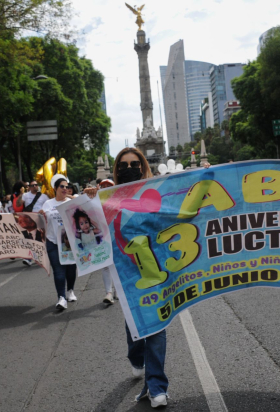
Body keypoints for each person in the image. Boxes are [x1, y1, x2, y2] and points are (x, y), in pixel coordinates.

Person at [112, 147, 168, 407]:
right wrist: (89, 198)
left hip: (155, 270)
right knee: (133, 325)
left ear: (143, 165)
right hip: (126, 273)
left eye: (135, 164)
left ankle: (156, 386)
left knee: (157, 325)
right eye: (123, 166)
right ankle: (136, 359)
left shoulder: (155, 192)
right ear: (116, 170)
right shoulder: (106, 197)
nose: (129, 169)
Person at [39, 175, 97, 310]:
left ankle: (70, 290)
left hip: (70, 243)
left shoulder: (73, 202)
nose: (65, 189)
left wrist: (70, 197)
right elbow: (42, 221)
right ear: (55, 188)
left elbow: (85, 204)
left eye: (67, 187)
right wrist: (41, 215)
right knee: (59, 271)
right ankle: (61, 298)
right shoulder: (48, 204)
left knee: (71, 270)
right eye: (62, 186)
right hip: (53, 242)